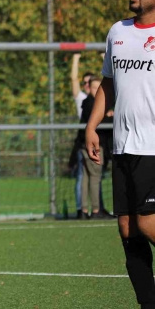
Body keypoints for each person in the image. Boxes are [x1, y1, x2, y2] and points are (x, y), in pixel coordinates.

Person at [85, 0, 155, 309]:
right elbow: (108, 84)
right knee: (128, 229)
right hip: (124, 146)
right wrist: (92, 126)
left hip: (153, 149)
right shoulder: (118, 31)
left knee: (147, 223)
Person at [70, 53, 95, 216]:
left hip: (99, 139)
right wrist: (76, 58)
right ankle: (82, 209)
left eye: (89, 82)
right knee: (82, 175)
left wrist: (105, 57)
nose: (86, 85)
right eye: (84, 82)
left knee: (96, 177)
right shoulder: (81, 98)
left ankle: (97, 208)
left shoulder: (100, 97)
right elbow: (73, 80)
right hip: (84, 141)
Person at [75, 78, 103, 220]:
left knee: (85, 178)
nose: (97, 90)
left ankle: (84, 210)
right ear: (89, 88)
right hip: (93, 145)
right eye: (94, 87)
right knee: (94, 177)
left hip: (83, 144)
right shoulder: (93, 104)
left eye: (99, 87)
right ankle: (96, 210)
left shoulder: (86, 103)